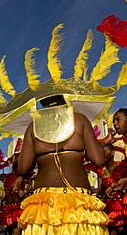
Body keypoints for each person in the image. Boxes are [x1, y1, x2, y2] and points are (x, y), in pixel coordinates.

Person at [18, 95, 109, 235]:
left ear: (44, 101)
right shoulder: (80, 119)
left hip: (44, 202)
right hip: (77, 200)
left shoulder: (33, 126)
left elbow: (23, 168)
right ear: (66, 97)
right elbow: (99, 160)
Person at [0, 165, 25, 235]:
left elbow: (3, 197)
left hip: (7, 208)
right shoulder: (20, 178)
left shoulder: (7, 178)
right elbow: (21, 195)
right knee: (17, 228)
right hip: (17, 208)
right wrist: (26, 190)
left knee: (10, 229)